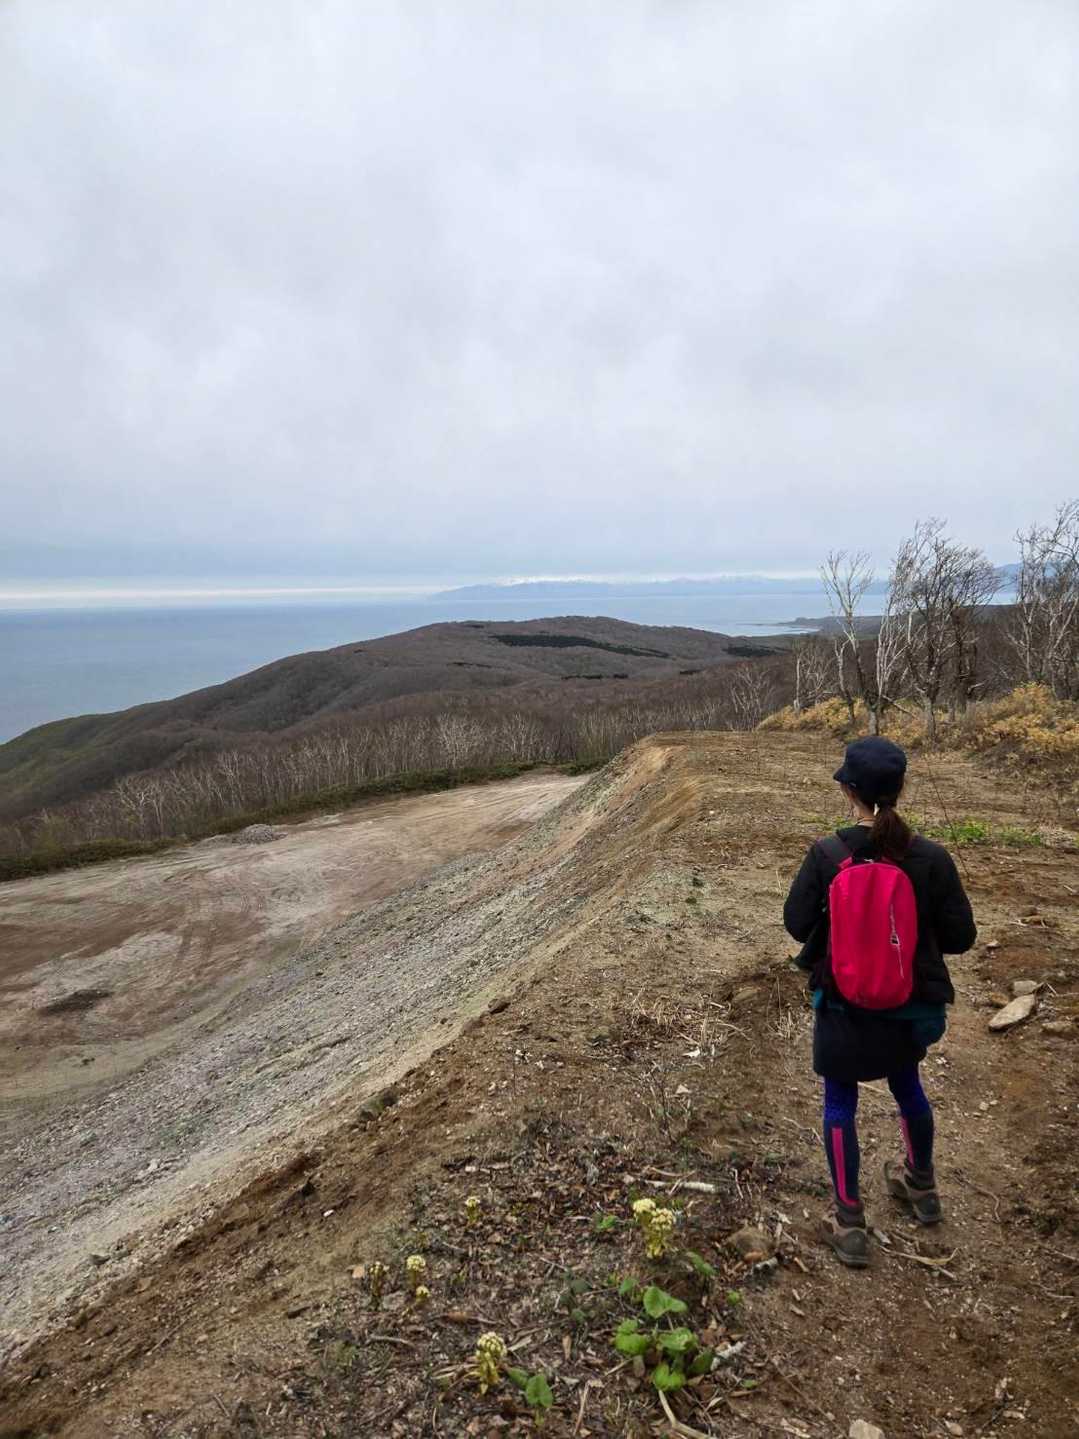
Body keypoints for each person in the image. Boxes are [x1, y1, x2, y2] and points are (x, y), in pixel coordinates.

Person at [783, 736, 976, 1267]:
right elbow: (961, 937)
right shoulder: (931, 857)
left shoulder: (828, 855)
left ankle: (849, 1221)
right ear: (901, 788)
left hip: (843, 1008)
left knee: (839, 1103)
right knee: (908, 1086)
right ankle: (922, 1186)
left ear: (848, 791)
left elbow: (796, 924)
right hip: (907, 1009)